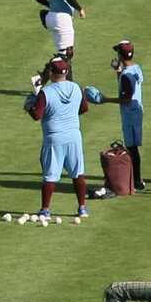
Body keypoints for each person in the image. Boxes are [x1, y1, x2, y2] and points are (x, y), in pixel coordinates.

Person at [27, 57, 89, 218]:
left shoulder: (45, 93)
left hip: (54, 138)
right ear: (66, 72)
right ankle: (82, 208)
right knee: (78, 173)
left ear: (51, 73)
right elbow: (84, 109)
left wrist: (30, 102)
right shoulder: (76, 87)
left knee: (50, 175)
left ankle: (45, 210)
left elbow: (36, 115)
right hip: (74, 136)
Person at [108, 40, 145, 191]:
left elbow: (126, 98)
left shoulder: (126, 75)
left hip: (129, 114)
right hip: (137, 111)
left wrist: (105, 99)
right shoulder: (137, 69)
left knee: (132, 148)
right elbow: (126, 88)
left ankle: (136, 181)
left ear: (120, 55)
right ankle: (136, 180)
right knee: (133, 147)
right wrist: (118, 70)